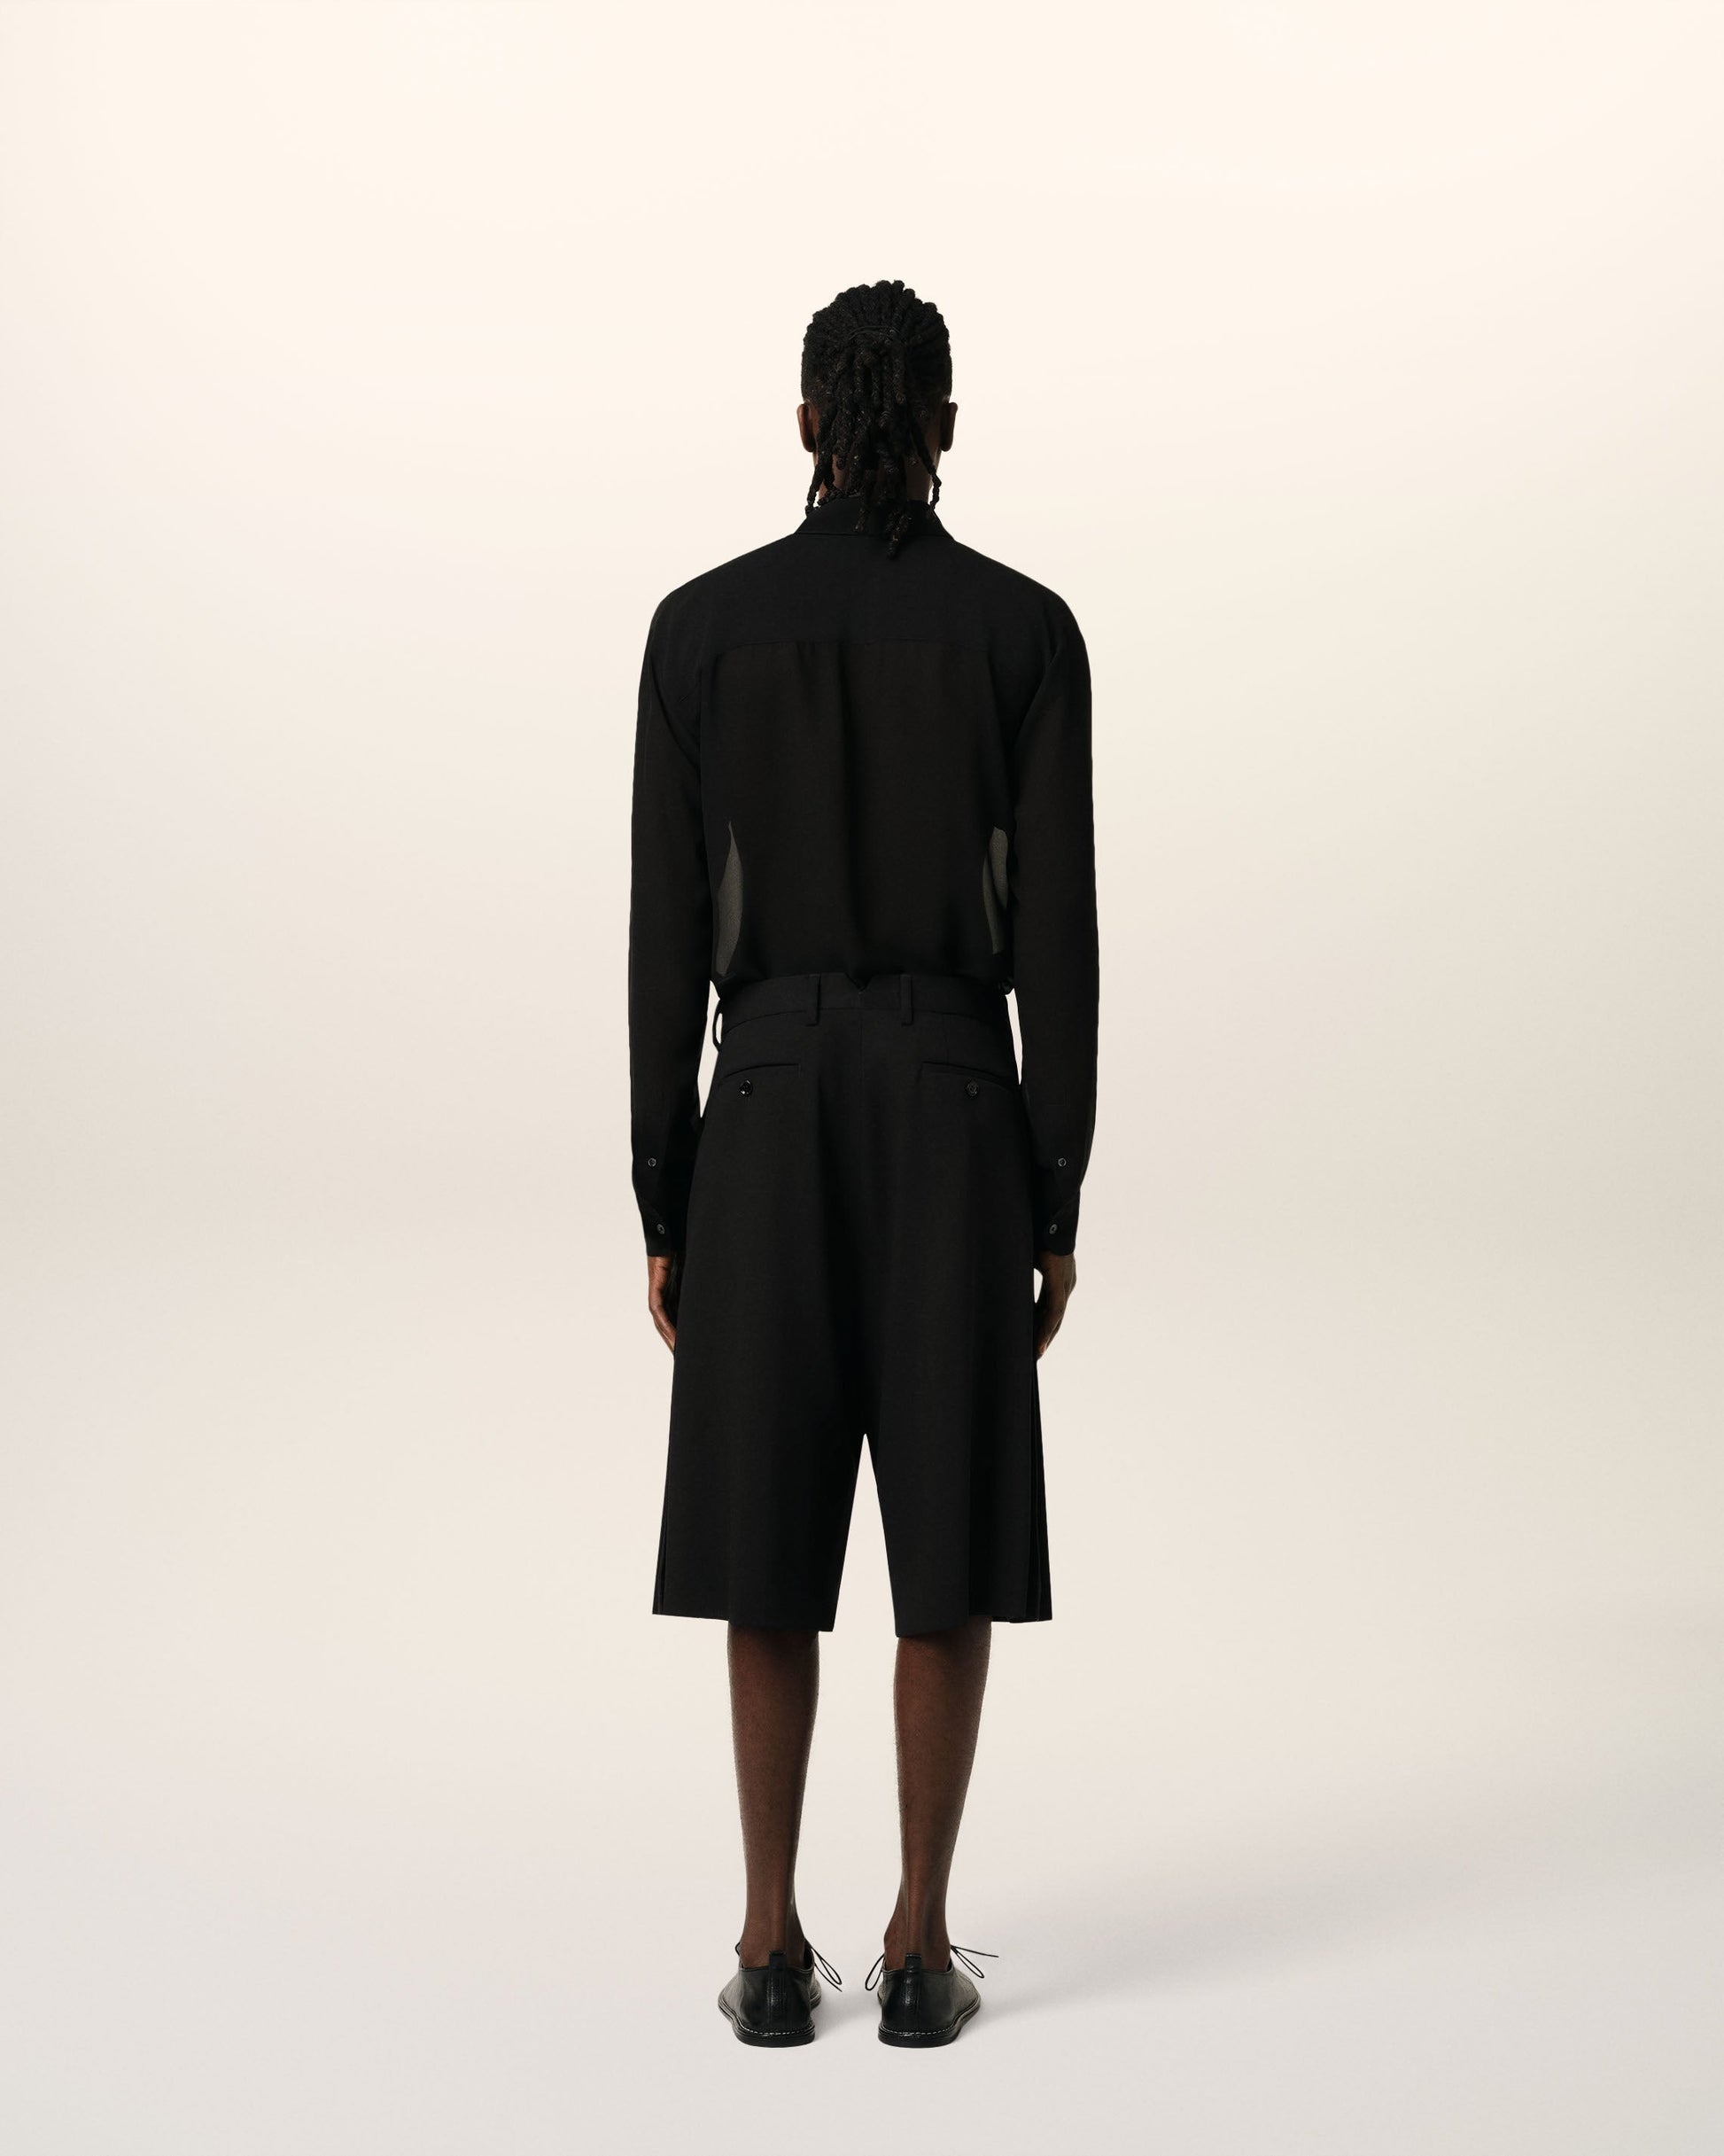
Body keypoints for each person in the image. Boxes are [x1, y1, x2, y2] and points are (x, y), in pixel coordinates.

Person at [627, 279, 1098, 2047]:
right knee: (944, 1533)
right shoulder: (1023, 634)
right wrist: (1051, 1189)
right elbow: (1057, 944)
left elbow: (663, 939)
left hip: (759, 1105)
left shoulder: (698, 631)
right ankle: (915, 1945)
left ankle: (767, 1948)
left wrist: (663, 1188)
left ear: (807, 423)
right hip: (955, 1101)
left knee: (765, 1535)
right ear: (948, 425)